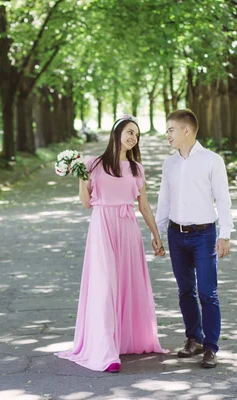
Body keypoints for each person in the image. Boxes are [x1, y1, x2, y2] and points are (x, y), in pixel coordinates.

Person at [57, 114, 167, 373]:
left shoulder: (136, 169)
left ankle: (126, 339)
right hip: (102, 226)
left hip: (127, 226)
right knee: (104, 285)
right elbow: (86, 202)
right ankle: (105, 351)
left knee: (126, 282)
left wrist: (156, 234)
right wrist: (82, 178)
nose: (133, 137)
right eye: (130, 132)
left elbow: (144, 205)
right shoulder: (93, 163)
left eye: (136, 135)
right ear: (117, 133)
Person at [155, 109, 233, 369]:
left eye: (170, 130)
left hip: (204, 235)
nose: (167, 135)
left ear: (186, 130)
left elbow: (223, 199)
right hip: (176, 235)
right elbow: (163, 201)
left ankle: (211, 347)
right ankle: (194, 339)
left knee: (207, 292)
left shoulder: (212, 160)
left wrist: (225, 235)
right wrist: (158, 232)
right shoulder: (169, 164)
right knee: (185, 291)